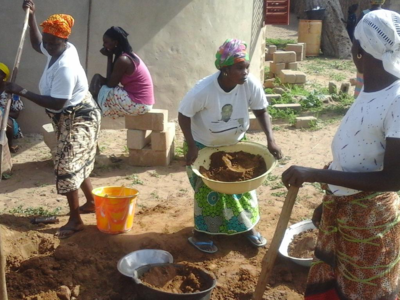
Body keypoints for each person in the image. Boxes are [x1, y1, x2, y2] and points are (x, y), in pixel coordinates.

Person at [282, 10, 400, 300]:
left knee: (365, 291)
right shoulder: (370, 89)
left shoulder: (397, 99)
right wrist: (330, 199)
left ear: (359, 50)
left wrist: (315, 174)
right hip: (344, 213)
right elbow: (357, 153)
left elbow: (394, 178)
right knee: (338, 285)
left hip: (369, 225)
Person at [6, 0, 101, 238]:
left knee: (67, 165)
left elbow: (57, 102)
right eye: (48, 41)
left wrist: (21, 91)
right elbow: (38, 43)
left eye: (53, 42)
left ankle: (76, 220)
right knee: (73, 158)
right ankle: (92, 202)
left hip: (81, 117)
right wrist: (32, 17)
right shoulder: (54, 47)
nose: (48, 46)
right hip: (65, 119)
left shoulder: (66, 66)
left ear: (64, 40)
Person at [178, 39, 282, 253]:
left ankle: (246, 228)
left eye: (246, 67)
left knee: (242, 187)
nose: (245, 72)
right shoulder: (204, 90)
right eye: (239, 67)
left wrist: (271, 139)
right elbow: (183, 115)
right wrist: (191, 146)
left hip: (234, 146)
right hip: (203, 146)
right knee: (208, 192)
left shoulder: (249, 84)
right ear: (225, 69)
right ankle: (202, 234)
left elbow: (261, 110)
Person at [89, 26, 155, 118]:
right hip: (142, 102)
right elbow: (110, 81)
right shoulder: (128, 55)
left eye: (106, 42)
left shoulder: (123, 60)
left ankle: (90, 114)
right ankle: (91, 111)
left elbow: (110, 84)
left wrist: (109, 57)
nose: (104, 45)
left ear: (115, 42)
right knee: (98, 92)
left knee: (97, 90)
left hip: (138, 103)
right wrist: (110, 55)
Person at [354, 0, 385, 98]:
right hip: (382, 51)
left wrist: (357, 52)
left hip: (366, 51)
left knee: (363, 75)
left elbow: (357, 35)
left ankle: (359, 98)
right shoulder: (386, 15)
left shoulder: (365, 14)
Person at [0, 62, 24, 153]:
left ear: (3, 76)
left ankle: (10, 144)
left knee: (5, 122)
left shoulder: (11, 92)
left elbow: (16, 114)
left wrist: (1, 114)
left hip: (8, 122)